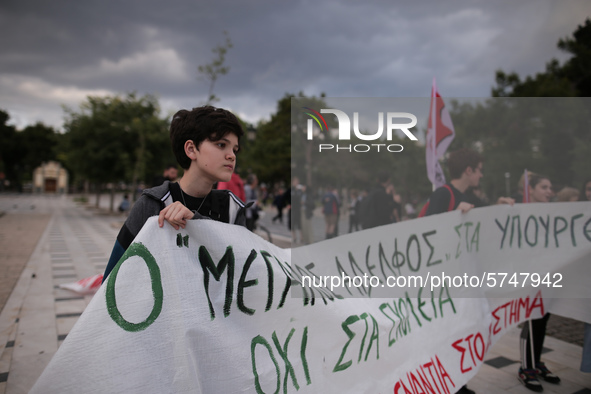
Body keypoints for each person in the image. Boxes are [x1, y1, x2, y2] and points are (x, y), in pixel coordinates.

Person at [103, 106, 248, 282]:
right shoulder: (153, 204)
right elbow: (113, 278)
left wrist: (195, 222)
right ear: (191, 149)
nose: (231, 156)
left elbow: (243, 272)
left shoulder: (232, 209)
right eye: (221, 145)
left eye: (235, 149)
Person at [423, 148, 514, 394]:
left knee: (463, 332)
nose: (481, 176)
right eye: (480, 171)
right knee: (447, 335)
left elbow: (488, 216)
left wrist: (500, 205)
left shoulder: (470, 196)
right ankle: (450, 384)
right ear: (469, 170)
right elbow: (427, 231)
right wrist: (454, 215)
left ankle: (458, 382)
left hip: (464, 283)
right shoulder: (444, 194)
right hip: (445, 285)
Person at [517, 173, 560, 392]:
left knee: (543, 319)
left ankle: (536, 361)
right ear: (531, 189)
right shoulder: (520, 213)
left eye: (550, 187)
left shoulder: (551, 214)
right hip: (530, 275)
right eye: (544, 187)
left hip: (549, 275)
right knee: (532, 320)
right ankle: (526, 367)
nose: (549, 191)